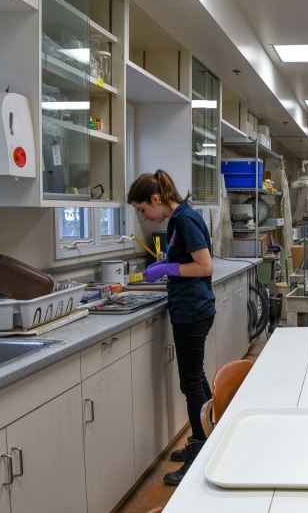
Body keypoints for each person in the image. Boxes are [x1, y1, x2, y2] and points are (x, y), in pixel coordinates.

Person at [127, 169, 215, 485]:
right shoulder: (178, 220)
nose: (144, 215)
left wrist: (167, 267)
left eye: (142, 209)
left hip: (193, 311)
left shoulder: (186, 220)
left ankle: (200, 450)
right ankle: (204, 438)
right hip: (189, 308)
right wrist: (168, 268)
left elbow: (205, 266)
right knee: (196, 379)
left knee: (191, 383)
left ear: (155, 198)